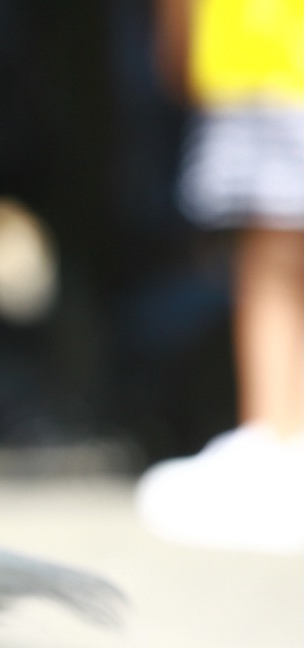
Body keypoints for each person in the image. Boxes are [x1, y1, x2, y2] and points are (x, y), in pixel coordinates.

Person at [138, 0, 304, 551]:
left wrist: (179, 29)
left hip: (271, 51)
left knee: (274, 242)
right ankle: (277, 440)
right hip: (265, 52)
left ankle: (276, 438)